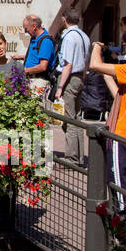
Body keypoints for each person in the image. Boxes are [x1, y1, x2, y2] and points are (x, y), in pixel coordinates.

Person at [89, 31, 126, 201]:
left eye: (125, 48)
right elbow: (120, 95)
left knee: (121, 192)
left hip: (124, 138)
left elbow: (94, 65)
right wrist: (108, 76)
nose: (124, 53)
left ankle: (123, 225)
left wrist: (96, 47)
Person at [53, 9, 91, 162]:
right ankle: (80, 155)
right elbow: (86, 61)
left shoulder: (69, 37)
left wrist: (60, 87)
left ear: (64, 19)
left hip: (69, 77)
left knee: (69, 119)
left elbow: (67, 64)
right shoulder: (84, 36)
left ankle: (72, 157)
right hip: (80, 77)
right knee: (76, 117)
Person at [21, 14, 55, 96]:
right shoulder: (34, 38)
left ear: (34, 26)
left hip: (39, 81)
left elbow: (43, 66)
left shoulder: (45, 41)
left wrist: (24, 71)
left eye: (26, 29)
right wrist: (21, 57)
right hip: (31, 80)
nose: (25, 32)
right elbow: (35, 57)